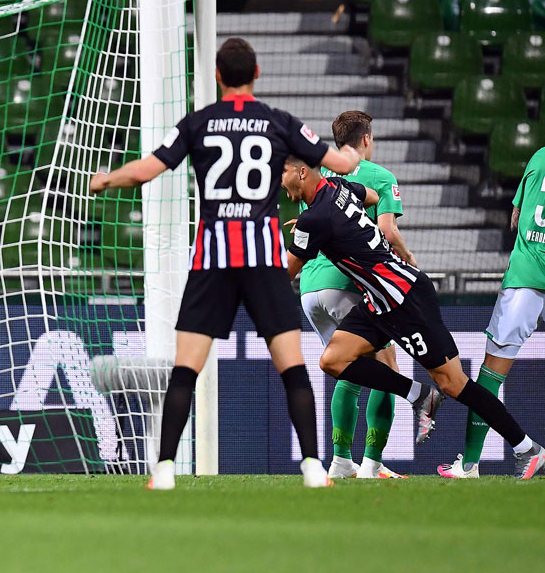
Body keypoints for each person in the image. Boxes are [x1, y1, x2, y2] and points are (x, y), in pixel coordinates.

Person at [90, 37, 362, 489]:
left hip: (213, 260)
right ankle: (314, 469)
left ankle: (163, 471)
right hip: (262, 260)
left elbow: (145, 170)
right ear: (256, 73)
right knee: (292, 367)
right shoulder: (280, 123)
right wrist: (354, 153)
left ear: (218, 76)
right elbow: (339, 163)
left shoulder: (197, 123)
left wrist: (105, 180)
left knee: (185, 369)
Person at [282, 155, 545, 479]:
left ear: (301, 171)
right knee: (333, 360)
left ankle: (527, 448)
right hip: (378, 300)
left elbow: (286, 274)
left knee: (454, 383)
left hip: (405, 298)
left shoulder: (314, 219)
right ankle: (419, 394)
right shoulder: (337, 187)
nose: (280, 181)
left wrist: (310, 235)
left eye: (282, 171)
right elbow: (372, 197)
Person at [297, 111, 415, 479]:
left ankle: (341, 460)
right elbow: (388, 232)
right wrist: (410, 260)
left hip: (309, 290)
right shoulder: (380, 176)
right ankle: (372, 465)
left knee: (349, 369)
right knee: (386, 367)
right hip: (348, 284)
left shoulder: (320, 178)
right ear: (367, 139)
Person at [439, 146, 545, 478]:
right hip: (527, 278)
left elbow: (514, 217)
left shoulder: (539, 156)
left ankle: (470, 464)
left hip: (526, 277)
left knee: (491, 373)